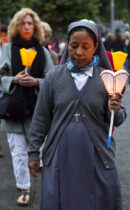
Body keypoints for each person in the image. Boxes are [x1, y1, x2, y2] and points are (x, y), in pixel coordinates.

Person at [28, 19, 127, 210]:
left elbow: (119, 117)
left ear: (96, 47)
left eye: (85, 46)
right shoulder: (54, 77)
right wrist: (33, 152)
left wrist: (114, 109)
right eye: (74, 46)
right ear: (67, 46)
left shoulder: (106, 77)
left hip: (97, 155)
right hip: (60, 156)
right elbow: (41, 117)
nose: (79, 52)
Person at [0, 8, 53, 206]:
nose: (27, 26)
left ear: (36, 27)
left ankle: (44, 186)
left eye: (30, 23)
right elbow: (0, 77)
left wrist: (36, 82)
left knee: (38, 150)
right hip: (13, 110)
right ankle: (24, 188)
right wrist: (13, 79)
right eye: (23, 23)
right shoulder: (7, 49)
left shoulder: (42, 51)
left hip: (37, 110)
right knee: (18, 152)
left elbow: (52, 78)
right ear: (17, 26)